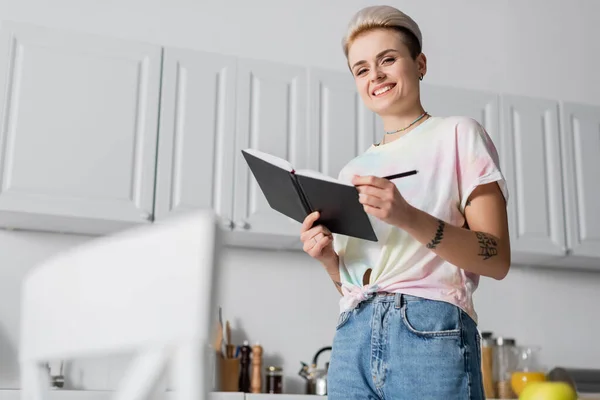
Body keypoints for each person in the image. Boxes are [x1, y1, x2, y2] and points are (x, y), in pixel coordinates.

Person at [299, 5, 510, 400]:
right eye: (361, 69)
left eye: (388, 59)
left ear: (420, 64)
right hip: (352, 339)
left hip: (429, 332)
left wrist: (408, 216)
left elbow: (496, 258)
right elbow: (358, 282)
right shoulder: (352, 171)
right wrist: (330, 261)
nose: (375, 75)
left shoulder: (459, 135)